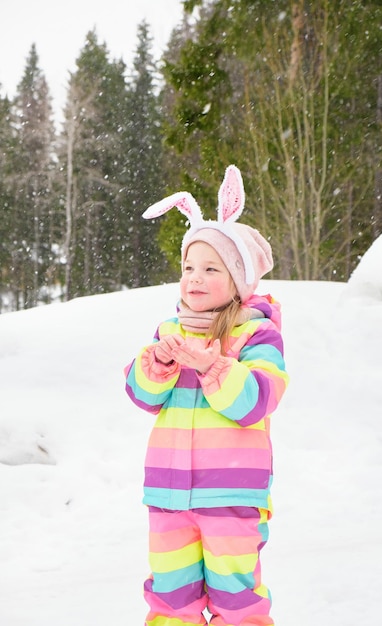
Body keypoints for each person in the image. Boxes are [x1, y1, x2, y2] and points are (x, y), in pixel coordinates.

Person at [125, 165, 289, 626]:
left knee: (237, 600)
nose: (194, 277)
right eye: (188, 267)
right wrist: (158, 363)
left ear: (238, 279)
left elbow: (256, 400)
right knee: (170, 599)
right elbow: (141, 396)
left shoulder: (257, 335)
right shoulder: (169, 331)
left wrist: (211, 366)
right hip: (168, 494)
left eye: (211, 268)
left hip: (231, 491)